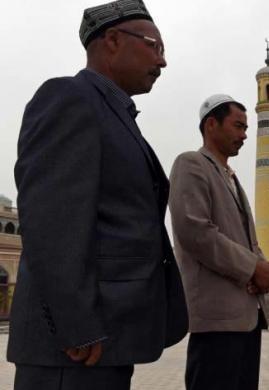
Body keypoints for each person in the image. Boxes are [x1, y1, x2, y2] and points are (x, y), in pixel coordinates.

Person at [8, 1, 188, 389]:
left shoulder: (115, 113)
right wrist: (77, 324)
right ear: (112, 40)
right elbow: (50, 220)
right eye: (154, 46)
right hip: (72, 350)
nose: (163, 61)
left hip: (105, 338)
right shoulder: (69, 97)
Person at [169, 95, 269, 390]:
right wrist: (253, 268)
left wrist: (262, 266)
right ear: (211, 124)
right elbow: (196, 233)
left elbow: (246, 238)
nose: (244, 135)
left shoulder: (231, 177)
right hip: (217, 319)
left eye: (246, 128)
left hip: (246, 315)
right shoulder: (191, 164)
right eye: (238, 126)